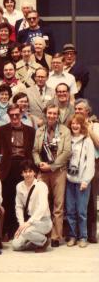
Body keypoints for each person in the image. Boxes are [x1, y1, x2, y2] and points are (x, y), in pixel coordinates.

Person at [0, 104, 35, 238]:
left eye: (17, 114)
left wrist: (33, 170)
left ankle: (21, 229)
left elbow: (33, 151)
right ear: (8, 115)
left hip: (24, 167)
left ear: (21, 114)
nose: (15, 117)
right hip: (7, 167)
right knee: (8, 199)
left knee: (23, 199)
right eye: (12, 115)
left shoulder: (31, 131)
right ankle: (6, 230)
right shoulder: (1, 130)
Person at [32, 104, 71, 247]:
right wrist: (39, 163)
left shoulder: (64, 131)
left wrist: (52, 166)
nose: (52, 116)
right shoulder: (40, 131)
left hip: (58, 171)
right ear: (45, 114)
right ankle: (42, 234)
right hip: (43, 171)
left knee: (58, 205)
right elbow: (35, 151)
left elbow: (66, 152)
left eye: (55, 114)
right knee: (41, 203)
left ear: (58, 115)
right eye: (49, 113)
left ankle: (56, 236)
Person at [64, 114, 95, 248]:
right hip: (69, 180)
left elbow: (90, 163)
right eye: (73, 124)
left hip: (82, 181)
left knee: (81, 211)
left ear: (82, 126)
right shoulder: (67, 139)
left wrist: (86, 180)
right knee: (70, 210)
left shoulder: (87, 141)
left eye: (78, 124)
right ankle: (72, 236)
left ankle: (83, 237)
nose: (75, 126)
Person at [12, 160, 52, 252]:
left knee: (26, 231)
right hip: (29, 223)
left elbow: (43, 207)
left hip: (43, 222)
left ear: (34, 172)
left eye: (30, 171)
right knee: (16, 245)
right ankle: (35, 240)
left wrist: (29, 223)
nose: (28, 174)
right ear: (22, 173)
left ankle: (43, 240)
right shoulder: (19, 186)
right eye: (25, 172)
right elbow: (18, 206)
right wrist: (21, 224)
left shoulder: (41, 186)